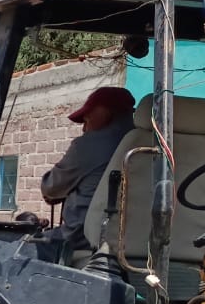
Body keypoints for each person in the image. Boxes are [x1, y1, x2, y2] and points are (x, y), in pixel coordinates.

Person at [40, 86, 137, 254]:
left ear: (103, 112)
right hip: (133, 241)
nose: (84, 128)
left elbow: (51, 187)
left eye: (86, 120)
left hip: (82, 239)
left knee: (16, 248)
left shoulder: (88, 145)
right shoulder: (148, 142)